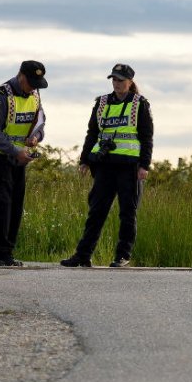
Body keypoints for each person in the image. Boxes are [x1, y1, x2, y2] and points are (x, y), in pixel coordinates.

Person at [61, 63, 153, 268]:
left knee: (127, 213)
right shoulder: (102, 102)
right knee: (96, 211)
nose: (116, 83)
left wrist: (144, 165)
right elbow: (92, 133)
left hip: (129, 166)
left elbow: (147, 137)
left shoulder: (139, 104)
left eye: (120, 80)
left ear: (130, 82)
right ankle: (83, 255)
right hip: (104, 165)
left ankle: (122, 256)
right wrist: (84, 160)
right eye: (114, 79)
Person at [0, 60, 48, 267]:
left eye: (38, 83)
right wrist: (17, 151)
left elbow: (40, 122)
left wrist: (36, 137)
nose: (34, 88)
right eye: (31, 82)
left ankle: (7, 254)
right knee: (1, 206)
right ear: (21, 76)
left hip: (19, 160)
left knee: (15, 207)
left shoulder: (34, 95)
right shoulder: (1, 95)